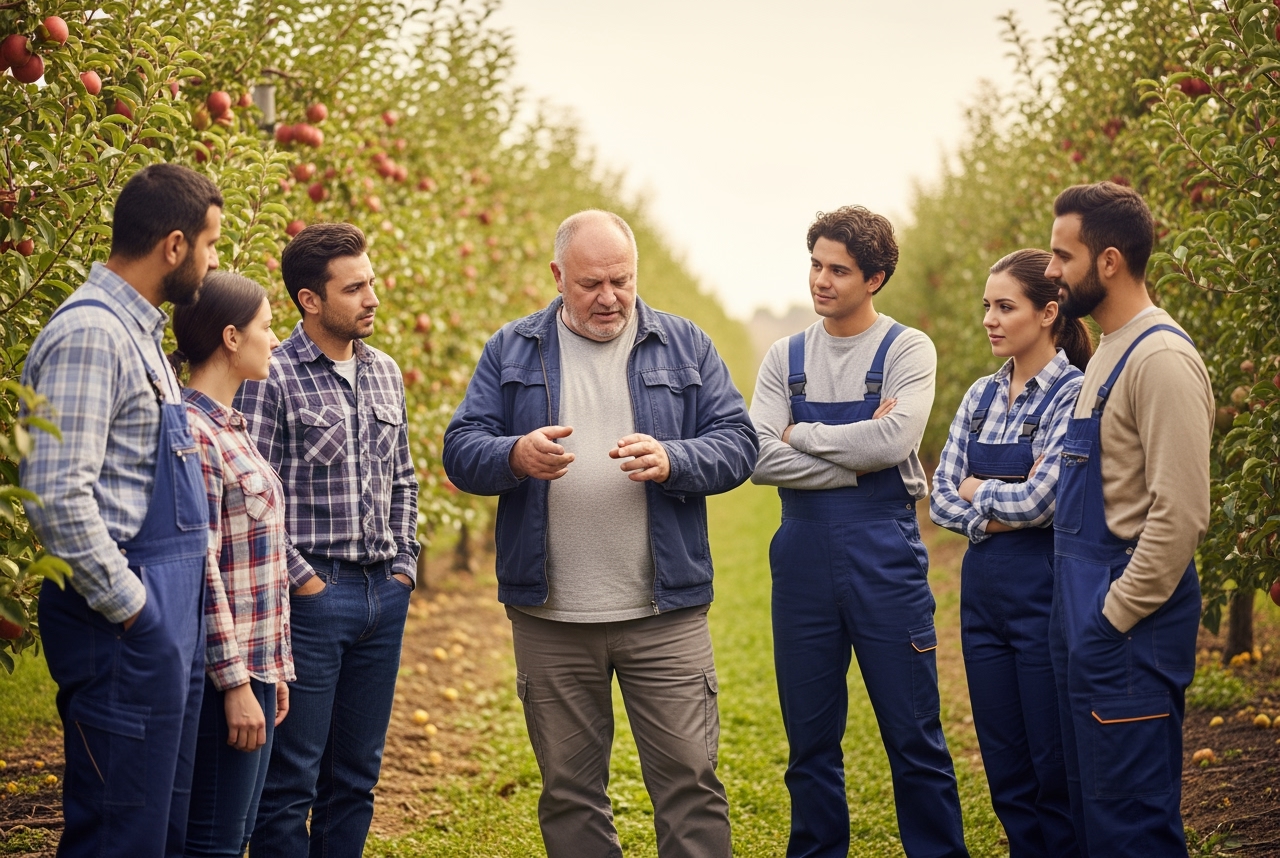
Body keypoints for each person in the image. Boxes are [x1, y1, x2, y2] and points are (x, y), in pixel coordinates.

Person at [443, 209, 757, 858]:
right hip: (550, 616)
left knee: (689, 785)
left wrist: (676, 460)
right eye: (591, 283)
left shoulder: (685, 344)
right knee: (570, 794)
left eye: (623, 280)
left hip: (663, 613)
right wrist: (514, 455)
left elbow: (737, 445)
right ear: (558, 276)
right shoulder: (512, 349)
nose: (610, 297)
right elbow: (461, 449)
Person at [750, 205, 968, 858]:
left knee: (914, 735)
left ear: (874, 278)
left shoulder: (906, 349)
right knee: (809, 741)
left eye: (838, 270)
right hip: (802, 556)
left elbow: (895, 439)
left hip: (883, 554)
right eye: (815, 264)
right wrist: (852, 463)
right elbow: (757, 454)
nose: (821, 280)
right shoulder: (783, 356)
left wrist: (802, 434)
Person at [21, 164, 223, 858]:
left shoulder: (140, 336)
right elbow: (56, 494)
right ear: (174, 245)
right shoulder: (91, 334)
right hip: (122, 629)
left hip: (161, 623)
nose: (214, 260)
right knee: (118, 829)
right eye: (210, 244)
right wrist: (136, 610)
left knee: (158, 824)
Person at [236, 223, 420, 858]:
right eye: (355, 288)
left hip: (382, 597)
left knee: (357, 779)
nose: (372, 298)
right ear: (309, 300)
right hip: (314, 599)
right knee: (291, 781)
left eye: (371, 283)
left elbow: (404, 478)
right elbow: (254, 494)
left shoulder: (385, 372)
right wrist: (304, 582)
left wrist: (404, 565)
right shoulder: (273, 376)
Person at [1044, 183, 1212, 857]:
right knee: (1095, 814)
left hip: (1129, 631)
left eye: (1063, 255)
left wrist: (1109, 620)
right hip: (1088, 617)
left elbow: (1180, 516)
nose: (1050, 270)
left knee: (1131, 827)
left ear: (1108, 262)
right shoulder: (1110, 350)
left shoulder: (1161, 359)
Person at [930, 248, 1092, 858]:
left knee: (1051, 756)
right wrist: (991, 509)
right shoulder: (979, 395)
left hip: (1043, 595)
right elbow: (940, 497)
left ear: (1049, 313)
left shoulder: (1071, 393)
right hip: (984, 600)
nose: (990, 320)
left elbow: (1044, 503)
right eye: (986, 308)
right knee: (1003, 754)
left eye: (1005, 307)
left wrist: (979, 494)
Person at [171, 272, 297, 858]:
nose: (276, 340)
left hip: (259, 668)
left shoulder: (233, 427)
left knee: (237, 834)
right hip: (230, 675)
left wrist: (275, 671)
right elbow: (204, 571)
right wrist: (237, 683)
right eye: (267, 327)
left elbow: (261, 565)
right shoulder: (196, 435)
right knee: (213, 842)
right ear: (230, 337)